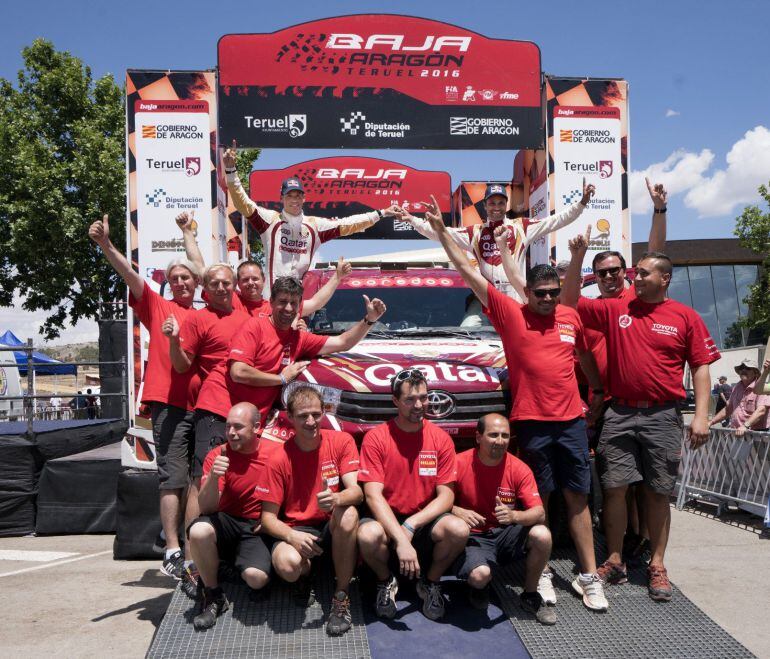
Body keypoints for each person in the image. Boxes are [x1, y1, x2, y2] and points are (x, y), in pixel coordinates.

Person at [427, 207, 609, 611]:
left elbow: (584, 355)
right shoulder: (510, 314)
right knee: (538, 500)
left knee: (579, 498)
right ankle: (541, 570)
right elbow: (470, 273)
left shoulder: (569, 316)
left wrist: (596, 390)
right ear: (526, 292)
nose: (546, 299)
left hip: (572, 422)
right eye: (539, 293)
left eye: (552, 293)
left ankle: (588, 576)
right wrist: (442, 233)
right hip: (531, 422)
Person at [564, 232, 720, 602]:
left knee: (657, 492)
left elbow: (700, 368)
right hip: (619, 412)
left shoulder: (685, 317)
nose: (636, 278)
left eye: (644, 273)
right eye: (636, 273)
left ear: (665, 278)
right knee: (614, 489)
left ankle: (658, 564)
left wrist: (701, 417)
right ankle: (615, 560)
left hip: (663, 415)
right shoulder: (617, 308)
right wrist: (578, 255)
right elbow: (569, 301)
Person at [89, 213, 199, 580]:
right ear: (167, 285)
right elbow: (130, 276)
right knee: (172, 478)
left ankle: (194, 550)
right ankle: (171, 548)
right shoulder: (157, 306)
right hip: (168, 404)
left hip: (205, 408)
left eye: (186, 277)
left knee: (199, 481)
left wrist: (188, 235)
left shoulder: (206, 314)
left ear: (196, 283)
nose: (181, 282)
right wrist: (107, 245)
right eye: (175, 278)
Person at [193, 275, 387, 426]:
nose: (288, 308)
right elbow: (238, 372)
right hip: (219, 409)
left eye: (294, 303)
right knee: (209, 474)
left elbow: (342, 341)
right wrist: (282, 379)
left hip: (251, 418)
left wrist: (369, 320)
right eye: (283, 302)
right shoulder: (254, 326)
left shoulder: (299, 338)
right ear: (271, 302)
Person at [356, 369, 469, 621]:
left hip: (422, 521)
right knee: (366, 533)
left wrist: (411, 525)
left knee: (459, 529)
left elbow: (446, 497)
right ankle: (385, 581)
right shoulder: (376, 438)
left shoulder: (440, 438)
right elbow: (373, 496)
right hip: (387, 522)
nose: (419, 405)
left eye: (424, 397)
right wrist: (401, 538)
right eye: (410, 399)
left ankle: (430, 582)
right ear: (395, 401)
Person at [165, 262, 249, 591]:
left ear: (233, 287)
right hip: (213, 410)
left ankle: (232, 556)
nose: (220, 288)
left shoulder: (248, 318)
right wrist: (173, 340)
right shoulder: (199, 319)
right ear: (206, 289)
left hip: (247, 413)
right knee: (202, 481)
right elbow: (182, 364)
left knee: (241, 482)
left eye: (225, 283)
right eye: (213, 283)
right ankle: (191, 563)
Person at [259, 386, 362, 636]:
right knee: (286, 565)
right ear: (290, 418)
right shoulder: (278, 457)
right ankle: (305, 576)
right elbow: (267, 518)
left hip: (330, 525)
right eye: (303, 415)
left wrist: (337, 498)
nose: (311, 421)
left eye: (316, 414)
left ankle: (341, 595)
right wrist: (292, 536)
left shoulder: (341, 441)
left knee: (348, 513)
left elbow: (357, 492)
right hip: (298, 529)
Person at [222, 141, 400, 286]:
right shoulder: (270, 220)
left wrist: (381, 213)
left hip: (298, 302)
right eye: (289, 196)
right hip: (271, 301)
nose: (294, 200)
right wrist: (231, 172)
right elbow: (243, 203)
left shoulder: (314, 226)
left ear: (304, 198)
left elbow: (349, 224)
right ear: (281, 198)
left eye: (298, 196)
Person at [400, 180, 594, 300]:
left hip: (516, 293)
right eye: (492, 203)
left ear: (506, 205)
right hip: (487, 295)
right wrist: (412, 220)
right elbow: (439, 234)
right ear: (485, 205)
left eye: (501, 203)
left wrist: (582, 203)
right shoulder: (474, 232)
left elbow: (556, 221)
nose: (496, 207)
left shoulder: (521, 226)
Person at [452, 413, 555, 625]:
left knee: (542, 534)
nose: (500, 441)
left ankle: (530, 594)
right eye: (493, 435)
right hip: (474, 537)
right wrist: (456, 510)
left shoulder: (519, 468)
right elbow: (434, 499)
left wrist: (514, 516)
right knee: (479, 576)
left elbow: (539, 513)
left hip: (507, 533)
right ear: (478, 437)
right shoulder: (459, 463)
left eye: (505, 436)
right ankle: (480, 585)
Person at [187, 402, 278, 630]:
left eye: (238, 427)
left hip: (256, 526)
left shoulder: (275, 454)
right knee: (198, 531)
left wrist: (271, 521)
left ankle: (231, 564)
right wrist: (214, 477)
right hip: (225, 519)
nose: (231, 433)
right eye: (228, 427)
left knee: (256, 580)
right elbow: (206, 509)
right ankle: (213, 594)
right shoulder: (217, 455)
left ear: (257, 427)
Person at [176, 210, 353, 320]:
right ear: (238, 283)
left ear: (263, 280)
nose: (251, 282)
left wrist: (337, 278)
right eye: (245, 279)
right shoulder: (229, 300)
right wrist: (186, 232)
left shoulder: (274, 306)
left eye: (255, 278)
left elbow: (314, 304)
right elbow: (199, 269)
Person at [710, 359, 769, 434]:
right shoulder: (737, 387)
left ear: (755, 373)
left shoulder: (762, 388)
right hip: (737, 432)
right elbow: (728, 409)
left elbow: (761, 411)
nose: (743, 370)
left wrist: (745, 426)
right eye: (741, 368)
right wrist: (711, 422)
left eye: (748, 368)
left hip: (756, 435)